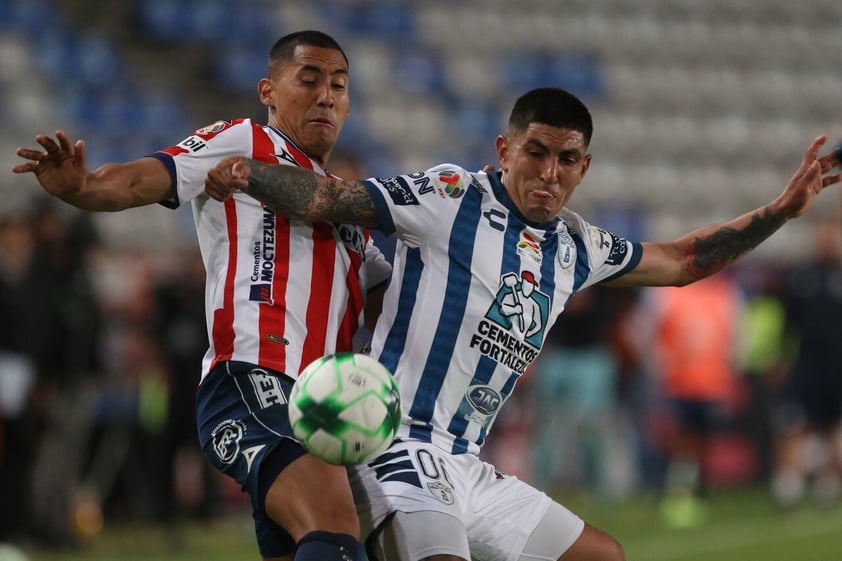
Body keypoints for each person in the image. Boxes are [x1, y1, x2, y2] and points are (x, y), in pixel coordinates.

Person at [204, 87, 842, 561]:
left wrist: (781, 211)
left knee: (603, 557)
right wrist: (249, 173)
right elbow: (333, 200)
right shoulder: (449, 197)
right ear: (506, 149)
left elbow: (680, 260)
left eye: (567, 159)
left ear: (583, 167)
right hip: (396, 445)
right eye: (535, 152)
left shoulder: (577, 246)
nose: (549, 172)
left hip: (467, 461)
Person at [13, 30, 391, 561]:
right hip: (254, 375)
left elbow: (396, 301)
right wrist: (83, 187)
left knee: (330, 544)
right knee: (334, 524)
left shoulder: (351, 220)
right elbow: (142, 179)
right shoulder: (245, 142)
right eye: (309, 80)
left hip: (319, 403)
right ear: (269, 91)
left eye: (339, 85)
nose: (326, 95)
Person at [771, 215, 842, 509]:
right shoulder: (801, 275)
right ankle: (789, 485)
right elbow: (787, 322)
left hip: (838, 366)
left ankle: (828, 484)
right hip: (807, 363)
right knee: (795, 421)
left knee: (832, 425)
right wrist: (782, 357)